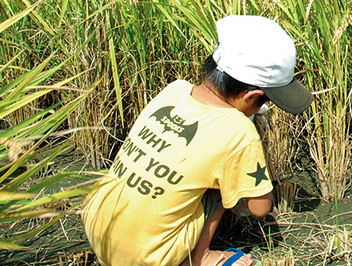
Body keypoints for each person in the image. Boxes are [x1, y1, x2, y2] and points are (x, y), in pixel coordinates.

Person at [82, 15, 314, 266]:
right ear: (251, 97)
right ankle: (200, 258)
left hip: (98, 230)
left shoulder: (174, 90)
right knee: (221, 183)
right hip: (146, 258)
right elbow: (259, 208)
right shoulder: (238, 131)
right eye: (265, 101)